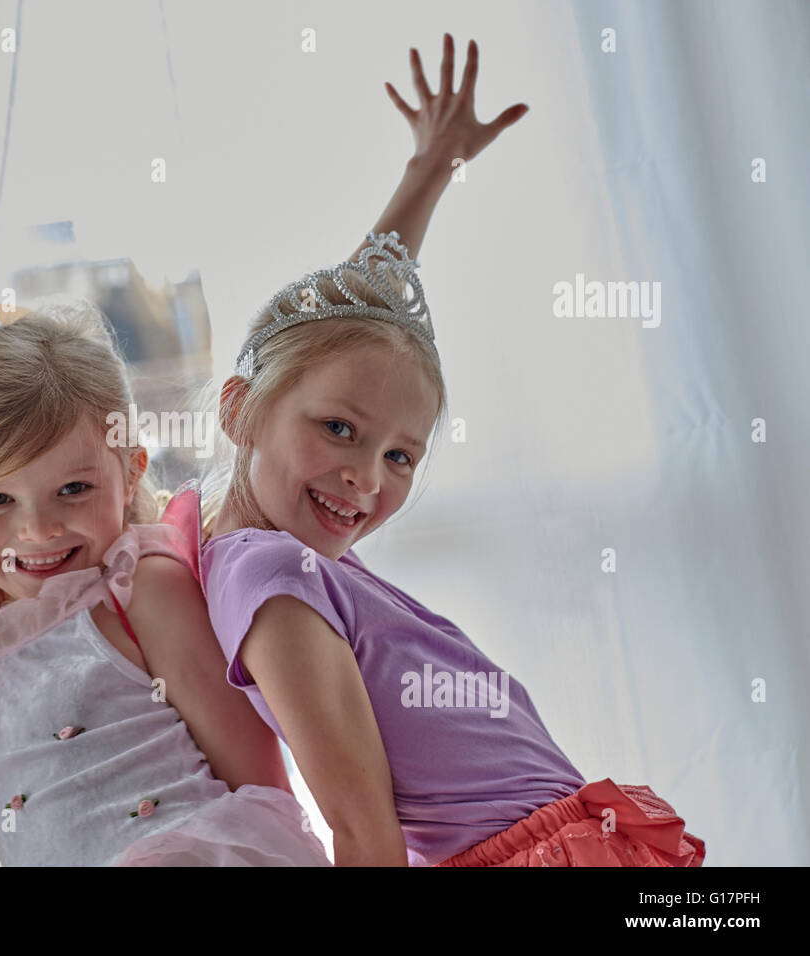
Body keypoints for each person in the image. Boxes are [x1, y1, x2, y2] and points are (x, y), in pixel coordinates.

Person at [195, 34, 706, 867]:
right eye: (339, 431)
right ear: (241, 410)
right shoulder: (269, 577)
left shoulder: (291, 544)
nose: (366, 477)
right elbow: (361, 830)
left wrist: (432, 166)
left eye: (403, 456)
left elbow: (355, 318)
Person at [0, 296, 329, 866]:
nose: (37, 528)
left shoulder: (140, 589)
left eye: (73, 489)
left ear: (130, 473)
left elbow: (260, 784)